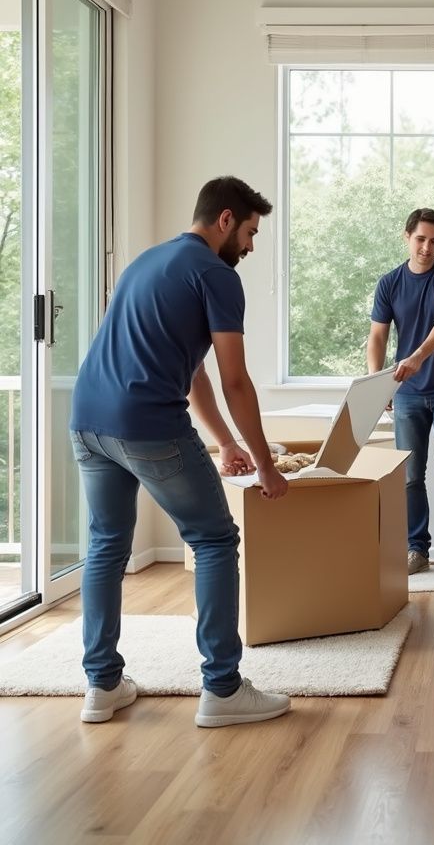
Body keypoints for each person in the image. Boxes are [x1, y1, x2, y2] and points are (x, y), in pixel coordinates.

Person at [70, 176, 292, 728]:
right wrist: (267, 466)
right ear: (224, 220)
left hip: (88, 420)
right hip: (146, 423)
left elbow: (192, 371)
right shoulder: (216, 275)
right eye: (249, 231)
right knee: (215, 539)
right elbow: (235, 380)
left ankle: (101, 686)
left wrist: (224, 443)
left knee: (105, 547)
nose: (250, 245)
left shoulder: (148, 263)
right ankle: (222, 688)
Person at [367, 208, 434, 590]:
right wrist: (378, 384)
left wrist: (417, 356)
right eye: (420, 239)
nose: (427, 247)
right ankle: (416, 550)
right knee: (410, 477)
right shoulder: (389, 283)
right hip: (407, 393)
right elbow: (377, 337)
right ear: (406, 237)